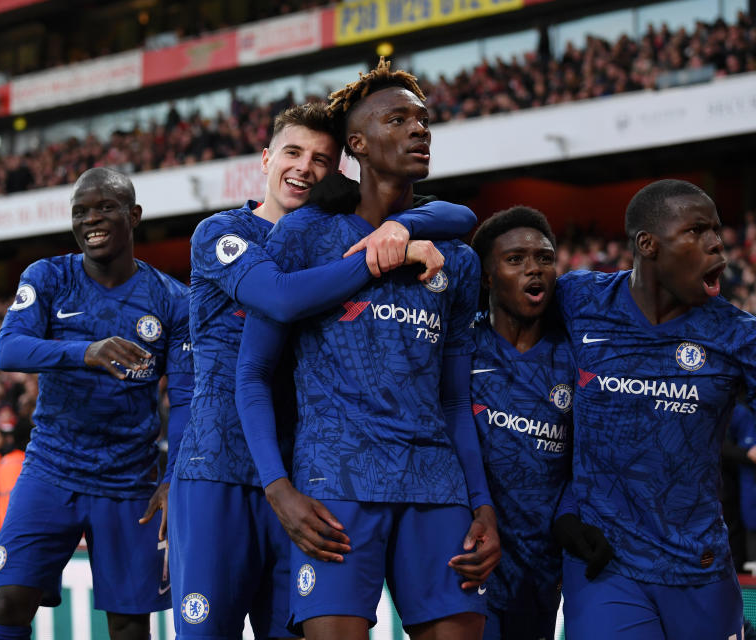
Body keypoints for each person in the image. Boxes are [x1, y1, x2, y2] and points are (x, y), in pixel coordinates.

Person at [170, 103, 475, 639]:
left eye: (320, 159)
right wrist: (383, 253)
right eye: (293, 152)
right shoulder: (223, 232)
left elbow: (460, 216)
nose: (304, 168)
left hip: (307, 471)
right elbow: (282, 298)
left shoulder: (322, 235)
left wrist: (399, 226)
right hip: (221, 466)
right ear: (266, 158)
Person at [236, 59, 499, 640]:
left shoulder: (454, 255)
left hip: (436, 486)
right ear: (357, 142)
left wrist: (481, 505)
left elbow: (456, 400)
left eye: (423, 119)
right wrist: (279, 490)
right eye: (398, 118)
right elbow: (253, 372)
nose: (419, 130)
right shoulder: (306, 234)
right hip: (335, 484)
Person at [555, 179, 756, 638]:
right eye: (697, 230)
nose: (717, 243)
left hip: (700, 565)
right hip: (606, 565)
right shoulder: (580, 299)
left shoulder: (743, 336)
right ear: (649, 245)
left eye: (717, 229)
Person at [0, 167, 193, 640]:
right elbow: (9, 349)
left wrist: (172, 476)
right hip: (51, 467)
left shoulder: (171, 300)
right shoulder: (49, 277)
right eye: (80, 211)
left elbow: (182, 399)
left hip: (129, 480)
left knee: (127, 624)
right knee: (9, 600)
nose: (91, 219)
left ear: (134, 215)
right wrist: (87, 351)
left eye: (105, 207)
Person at [468, 206, 578, 640]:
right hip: (470, 556)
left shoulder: (575, 358)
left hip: (543, 564)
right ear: (487, 277)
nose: (534, 268)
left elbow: (590, 456)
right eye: (515, 259)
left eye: (544, 258)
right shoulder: (459, 349)